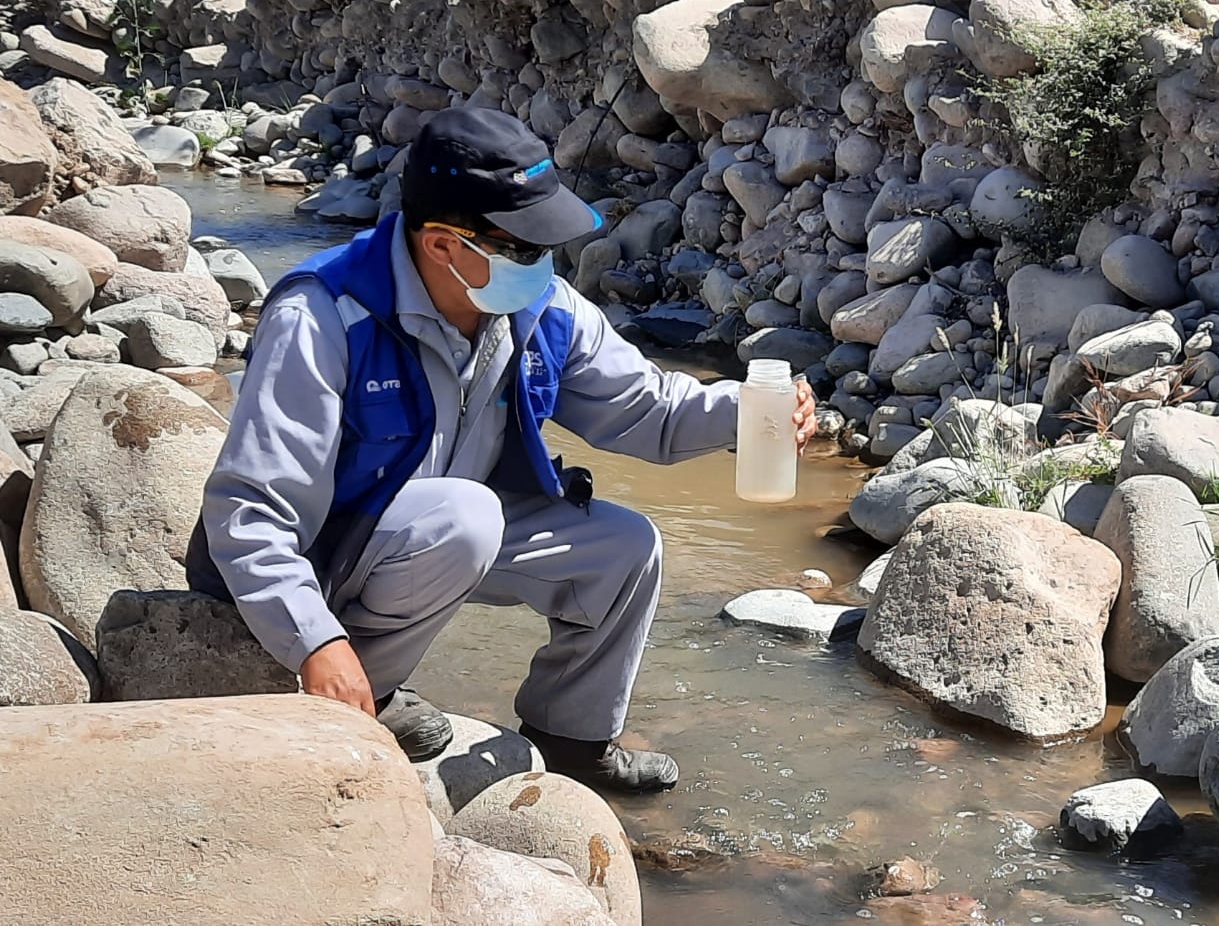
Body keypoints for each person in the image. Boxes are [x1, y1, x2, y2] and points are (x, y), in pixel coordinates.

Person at [186, 109, 816, 794]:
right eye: (522, 244)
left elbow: (647, 410)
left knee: (625, 546)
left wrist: (748, 414)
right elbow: (249, 510)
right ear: (441, 245)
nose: (541, 261)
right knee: (466, 516)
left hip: (438, 533)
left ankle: (571, 741)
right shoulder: (321, 316)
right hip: (325, 558)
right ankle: (370, 689)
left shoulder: (539, 307)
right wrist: (314, 641)